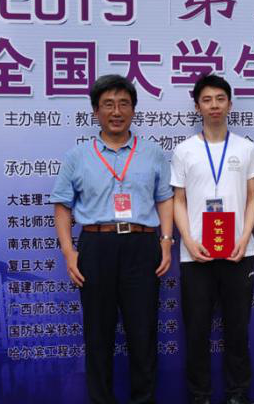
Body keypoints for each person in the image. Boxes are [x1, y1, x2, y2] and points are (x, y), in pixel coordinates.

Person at [51, 74, 174, 404]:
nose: (116, 111)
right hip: (96, 246)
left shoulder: (152, 153)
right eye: (108, 104)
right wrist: (69, 252)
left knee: (143, 333)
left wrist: (165, 241)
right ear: (95, 111)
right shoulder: (77, 156)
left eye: (123, 104)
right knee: (98, 334)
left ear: (133, 110)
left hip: (142, 246)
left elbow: (165, 199)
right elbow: (62, 206)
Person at [171, 74, 254, 404]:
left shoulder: (246, 148)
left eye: (220, 99)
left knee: (237, 329)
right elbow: (178, 201)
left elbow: (253, 198)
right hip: (196, 254)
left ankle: (238, 394)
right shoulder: (184, 150)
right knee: (196, 330)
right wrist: (188, 239)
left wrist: (245, 236)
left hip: (239, 252)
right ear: (197, 106)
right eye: (207, 100)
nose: (214, 105)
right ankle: (199, 396)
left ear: (230, 104)